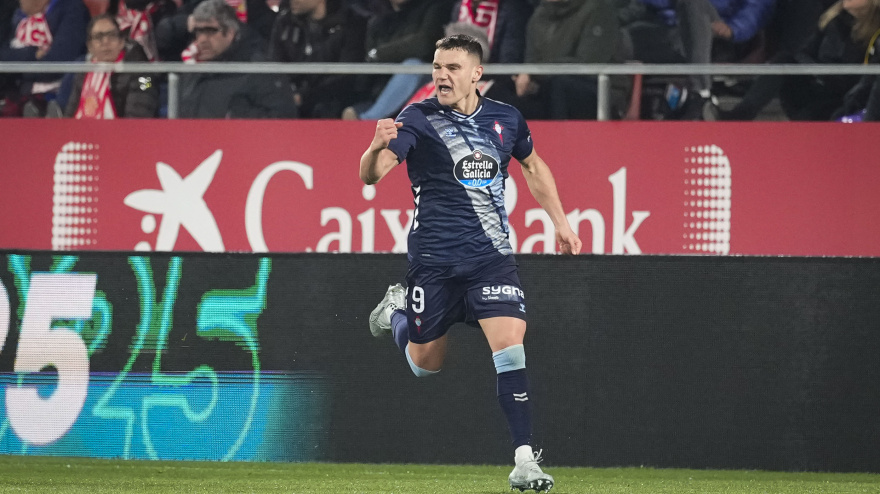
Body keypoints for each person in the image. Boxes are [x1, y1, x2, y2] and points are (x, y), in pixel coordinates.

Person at [359, 35, 582, 492]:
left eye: (452, 67)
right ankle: (396, 310)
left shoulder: (506, 118)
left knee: (511, 347)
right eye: (437, 66)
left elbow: (534, 167)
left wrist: (561, 221)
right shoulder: (417, 118)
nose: (441, 75)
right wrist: (372, 147)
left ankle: (524, 460)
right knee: (425, 364)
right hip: (434, 265)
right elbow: (374, 174)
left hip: (490, 260)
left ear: (476, 74)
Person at [709, 0, 880, 121]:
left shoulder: (873, 35)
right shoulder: (833, 20)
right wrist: (817, 72)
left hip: (840, 99)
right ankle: (741, 114)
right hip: (814, 85)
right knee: (784, 60)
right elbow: (804, 53)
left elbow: (860, 80)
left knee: (813, 111)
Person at [623, 0, 777, 119]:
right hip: (673, 30)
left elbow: (760, 7)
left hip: (721, 34)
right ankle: (612, 107)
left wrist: (734, 29)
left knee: (693, 3)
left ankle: (701, 93)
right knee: (617, 38)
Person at [177, 0, 297, 118]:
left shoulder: (259, 71)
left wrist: (237, 119)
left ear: (230, 33)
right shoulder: (192, 70)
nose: (202, 40)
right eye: (198, 31)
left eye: (210, 31)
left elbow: (283, 116)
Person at [513, 0, 629, 120]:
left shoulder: (599, 9)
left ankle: (562, 137)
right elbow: (531, 61)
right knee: (501, 92)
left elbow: (589, 64)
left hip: (600, 92)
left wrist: (536, 74)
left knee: (560, 85)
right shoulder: (538, 16)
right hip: (547, 86)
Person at [341, 0, 451, 120]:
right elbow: (370, 57)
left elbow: (424, 45)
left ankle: (370, 120)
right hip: (381, 90)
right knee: (349, 113)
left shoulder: (436, 8)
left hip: (423, 88)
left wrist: (380, 53)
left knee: (412, 66)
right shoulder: (378, 19)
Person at [269, 0, 368, 118]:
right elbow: (275, 65)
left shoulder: (351, 23)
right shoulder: (285, 23)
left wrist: (305, 96)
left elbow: (347, 76)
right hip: (289, 100)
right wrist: (289, 92)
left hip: (333, 102)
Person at [0, 0, 90, 116]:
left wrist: (15, 69)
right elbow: (2, 55)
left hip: (54, 93)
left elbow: (58, 64)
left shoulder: (72, 10)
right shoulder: (16, 13)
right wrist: (32, 54)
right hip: (16, 91)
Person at [63, 14, 159, 118]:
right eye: (98, 37)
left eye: (111, 35)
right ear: (90, 47)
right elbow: (70, 117)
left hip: (125, 132)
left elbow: (138, 118)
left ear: (121, 42)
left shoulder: (144, 76)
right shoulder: (83, 73)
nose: (105, 42)